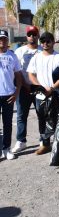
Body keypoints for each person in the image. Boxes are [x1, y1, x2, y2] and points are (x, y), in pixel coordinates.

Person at [27, 32, 59, 155]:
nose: (45, 44)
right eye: (42, 41)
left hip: (55, 93)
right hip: (40, 94)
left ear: (53, 42)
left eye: (48, 41)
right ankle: (45, 143)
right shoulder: (36, 57)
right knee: (42, 118)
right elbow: (31, 74)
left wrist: (52, 88)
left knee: (57, 118)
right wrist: (40, 87)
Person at [12, 25, 42, 153]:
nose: (32, 37)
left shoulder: (42, 51)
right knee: (21, 115)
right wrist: (25, 84)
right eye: (29, 35)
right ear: (26, 36)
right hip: (23, 88)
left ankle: (43, 139)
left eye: (34, 34)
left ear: (38, 36)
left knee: (42, 114)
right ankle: (21, 141)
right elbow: (16, 71)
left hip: (39, 88)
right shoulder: (19, 51)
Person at [0, 29, 22, 160]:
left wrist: (16, 92)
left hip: (8, 94)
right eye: (0, 39)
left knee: (7, 124)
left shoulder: (12, 56)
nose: (2, 41)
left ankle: (6, 149)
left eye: (4, 39)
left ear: (8, 40)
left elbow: (18, 76)